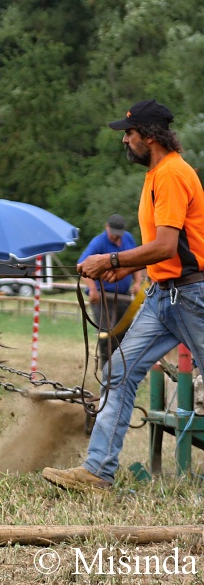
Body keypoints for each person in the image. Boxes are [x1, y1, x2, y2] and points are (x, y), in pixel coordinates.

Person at [44, 99, 204, 491]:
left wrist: (111, 258)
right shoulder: (156, 174)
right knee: (118, 372)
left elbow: (167, 246)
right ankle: (98, 471)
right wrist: (118, 266)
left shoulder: (171, 175)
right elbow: (163, 249)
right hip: (163, 296)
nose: (125, 141)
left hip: (191, 295)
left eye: (128, 134)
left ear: (149, 136)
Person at [77, 214, 144, 355]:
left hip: (123, 297)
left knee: (124, 334)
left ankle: (122, 369)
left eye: (118, 234)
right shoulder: (98, 242)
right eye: (113, 233)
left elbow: (136, 261)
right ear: (107, 227)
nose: (115, 237)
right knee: (106, 335)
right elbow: (82, 265)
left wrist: (137, 282)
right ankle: (106, 369)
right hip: (102, 298)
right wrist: (93, 289)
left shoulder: (128, 238)